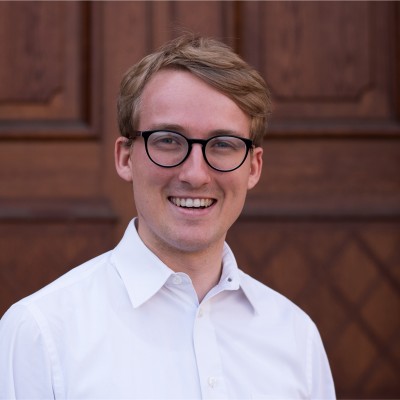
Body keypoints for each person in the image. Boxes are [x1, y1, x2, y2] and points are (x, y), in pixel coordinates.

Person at [0, 34, 335, 399]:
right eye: (169, 140)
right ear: (125, 158)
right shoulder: (40, 333)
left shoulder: (296, 337)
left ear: (253, 167)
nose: (195, 174)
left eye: (223, 144)